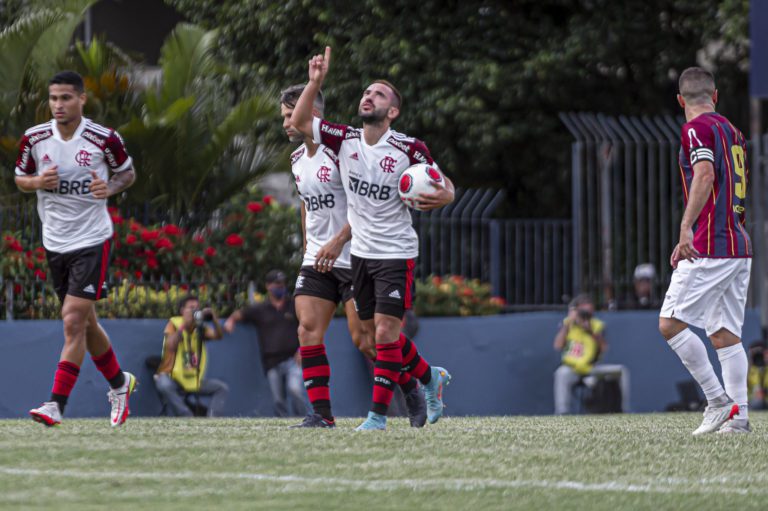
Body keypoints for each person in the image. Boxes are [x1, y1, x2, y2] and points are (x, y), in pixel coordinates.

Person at [291, 47, 454, 430]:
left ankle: (377, 417)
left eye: (378, 94)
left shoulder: (408, 148)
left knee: (380, 334)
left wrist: (445, 195)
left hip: (394, 252)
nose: (368, 96)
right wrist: (314, 82)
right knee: (369, 338)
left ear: (392, 111)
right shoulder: (343, 139)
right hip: (359, 254)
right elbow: (300, 122)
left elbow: (444, 183)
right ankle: (429, 379)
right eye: (366, 92)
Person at [15, 70, 137, 427]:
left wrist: (109, 189)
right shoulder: (35, 138)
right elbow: (20, 178)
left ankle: (56, 404)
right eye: (53, 98)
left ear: (82, 99)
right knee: (84, 325)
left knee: (72, 321)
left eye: (66, 98)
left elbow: (127, 173)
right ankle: (120, 384)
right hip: (55, 242)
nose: (58, 105)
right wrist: (37, 181)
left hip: (92, 239)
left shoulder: (103, 138)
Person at [658, 67, 752, 434]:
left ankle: (718, 401)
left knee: (669, 322)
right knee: (724, 334)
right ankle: (739, 418)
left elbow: (705, 174)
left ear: (681, 100)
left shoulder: (696, 128)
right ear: (715, 96)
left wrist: (686, 229)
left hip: (711, 243)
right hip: (737, 244)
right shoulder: (733, 130)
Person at [224, 270, 307, 417]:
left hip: (293, 359)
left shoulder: (293, 305)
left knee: (295, 390)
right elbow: (241, 314)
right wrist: (231, 320)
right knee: (278, 400)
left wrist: (302, 349)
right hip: (271, 361)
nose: (280, 287)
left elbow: (306, 326)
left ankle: (304, 418)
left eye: (282, 284)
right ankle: (283, 424)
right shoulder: (260, 308)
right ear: (268, 286)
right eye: (277, 284)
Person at [553, 294, 630, 414]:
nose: (587, 315)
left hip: (592, 368)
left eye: (590, 312)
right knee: (561, 373)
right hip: (572, 368)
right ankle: (562, 413)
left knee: (621, 371)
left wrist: (591, 332)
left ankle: (625, 410)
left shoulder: (597, 325)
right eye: (583, 312)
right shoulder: (568, 324)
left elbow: (604, 348)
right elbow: (558, 345)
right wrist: (568, 324)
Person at [154, 295, 229, 417]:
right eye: (191, 308)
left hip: (192, 379)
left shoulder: (200, 327)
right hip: (174, 378)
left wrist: (213, 318)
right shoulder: (174, 323)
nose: (195, 310)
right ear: (182, 310)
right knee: (163, 383)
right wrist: (184, 326)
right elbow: (171, 345)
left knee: (221, 388)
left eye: (197, 308)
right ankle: (186, 415)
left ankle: (213, 420)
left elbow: (218, 336)